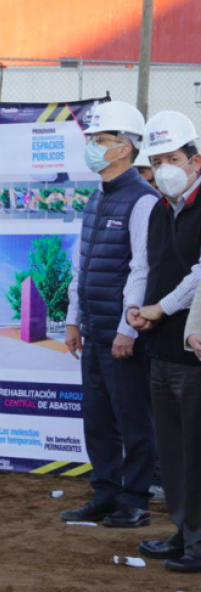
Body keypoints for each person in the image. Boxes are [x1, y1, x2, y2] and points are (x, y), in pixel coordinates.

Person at [60, 101, 156, 528]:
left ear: (124, 148)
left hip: (122, 334)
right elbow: (83, 267)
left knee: (132, 416)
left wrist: (126, 330)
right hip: (94, 329)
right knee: (97, 416)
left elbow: (143, 269)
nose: (93, 147)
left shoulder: (144, 200)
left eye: (100, 140)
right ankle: (106, 491)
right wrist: (72, 319)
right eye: (92, 140)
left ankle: (135, 500)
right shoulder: (96, 200)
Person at [127, 111, 201, 573]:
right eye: (156, 160)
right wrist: (138, 311)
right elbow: (146, 267)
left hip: (194, 353)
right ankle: (185, 530)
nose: (165, 168)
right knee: (173, 451)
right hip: (160, 349)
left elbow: (199, 275)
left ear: (196, 160)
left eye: (173, 157)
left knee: (196, 450)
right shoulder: (159, 209)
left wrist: (162, 308)